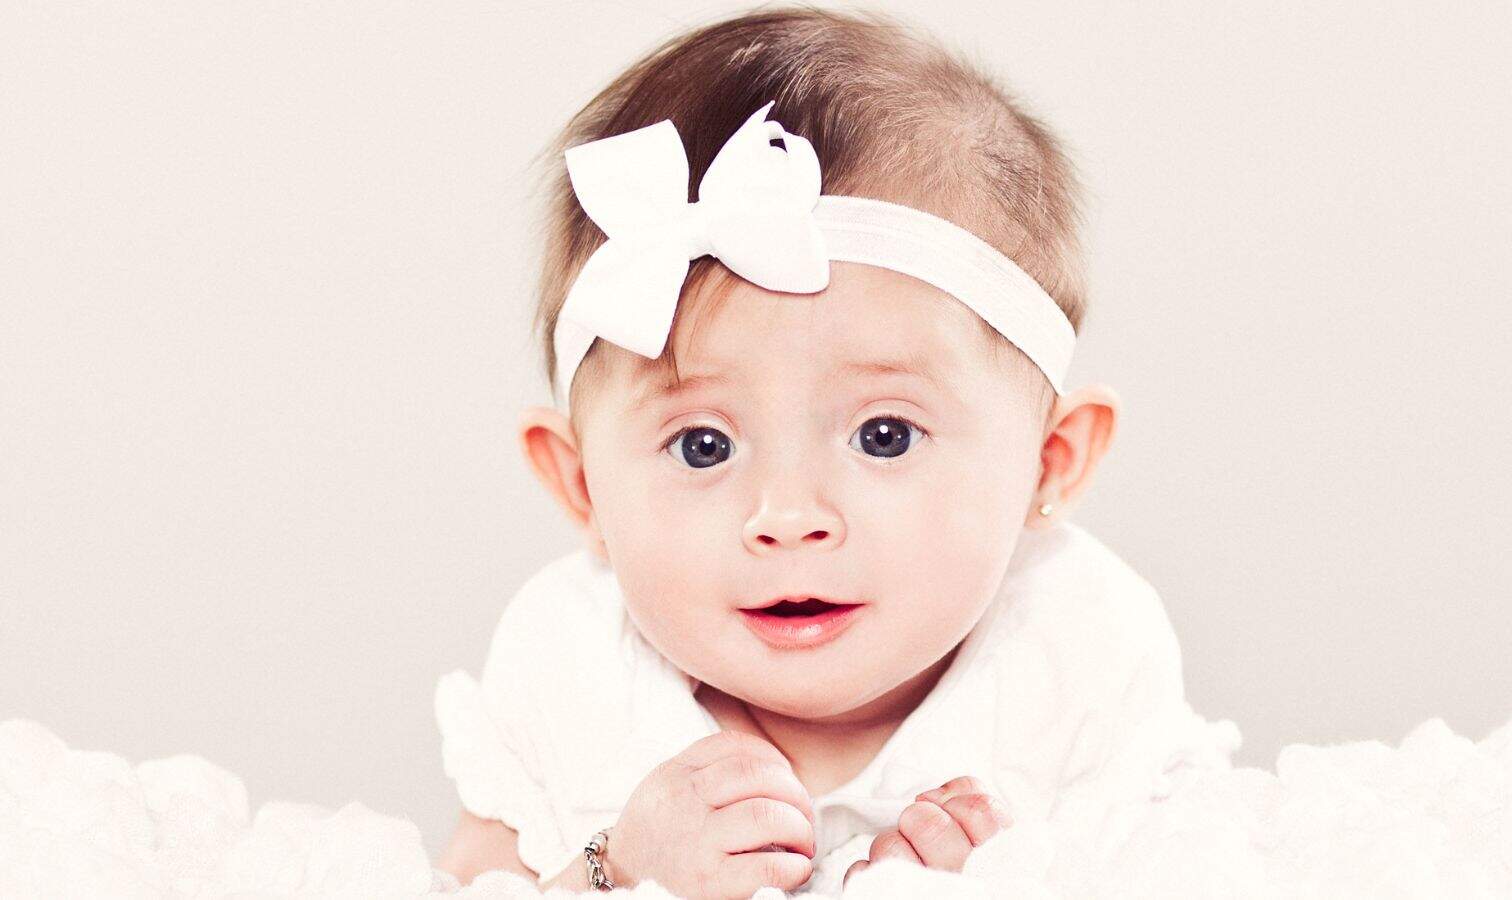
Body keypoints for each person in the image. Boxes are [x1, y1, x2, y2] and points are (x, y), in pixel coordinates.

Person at [432, 5, 1237, 897]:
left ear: (1050, 463)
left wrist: (1001, 882)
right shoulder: (574, 673)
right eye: (702, 446)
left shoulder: (1076, 664)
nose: (788, 517)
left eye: (883, 436)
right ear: (582, 487)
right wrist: (615, 871)